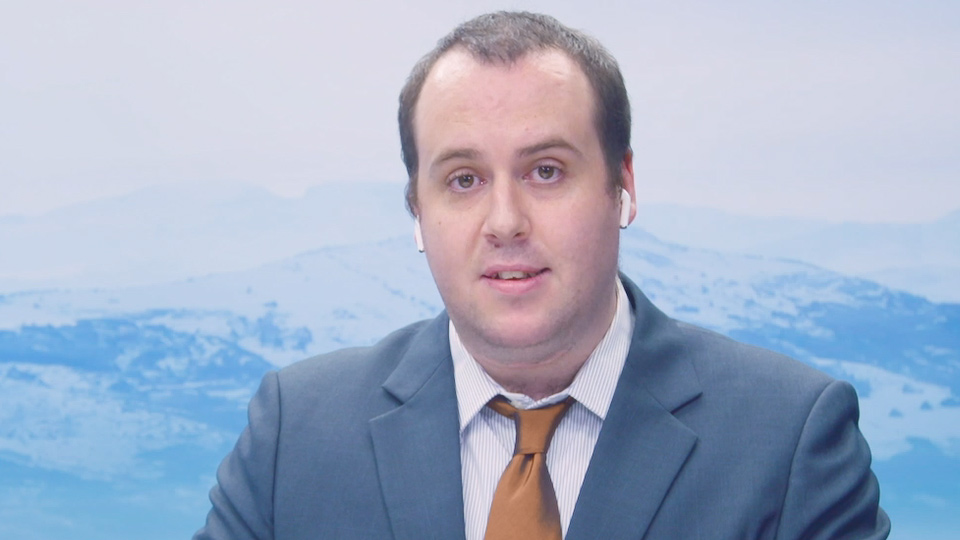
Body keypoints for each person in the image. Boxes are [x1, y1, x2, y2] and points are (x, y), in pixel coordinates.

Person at [194, 11, 890, 540]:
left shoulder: (789, 440)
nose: (504, 221)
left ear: (623, 185)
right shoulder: (297, 434)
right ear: (416, 211)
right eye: (463, 179)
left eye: (546, 171)